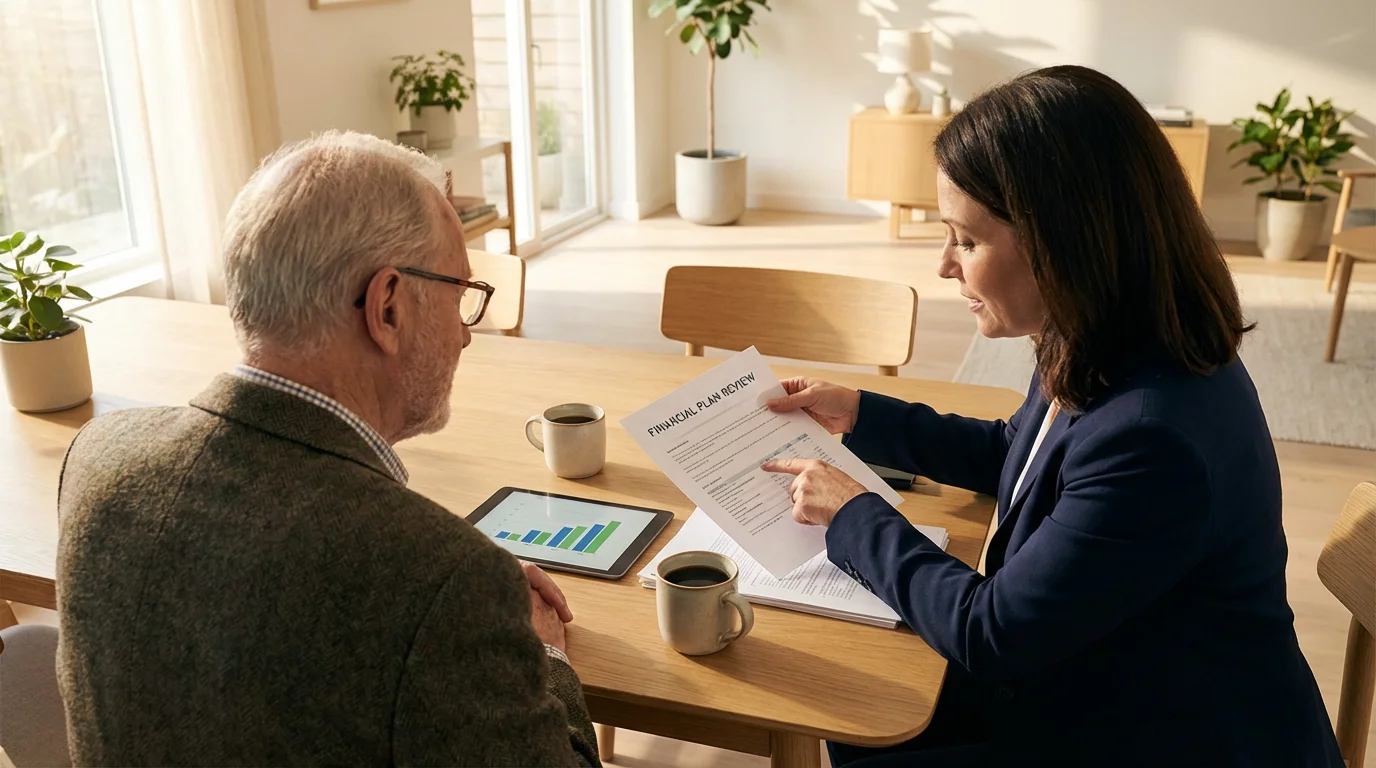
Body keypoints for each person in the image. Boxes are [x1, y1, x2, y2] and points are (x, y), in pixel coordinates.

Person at [761, 66, 1343, 767]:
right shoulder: (1105, 332)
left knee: (859, 702)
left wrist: (855, 514)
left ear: (1059, 242)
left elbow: (992, 632)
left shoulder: (1155, 435)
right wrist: (861, 412)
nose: (945, 265)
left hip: (1165, 737)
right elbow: (1021, 453)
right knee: (853, 700)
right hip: (1100, 672)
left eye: (966, 241)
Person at [56, 131, 600, 766]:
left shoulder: (97, 459)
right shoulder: (441, 581)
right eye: (461, 296)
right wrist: (540, 654)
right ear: (388, 308)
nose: (465, 335)